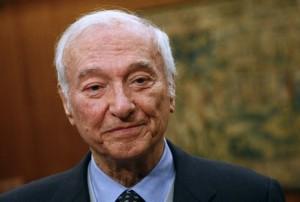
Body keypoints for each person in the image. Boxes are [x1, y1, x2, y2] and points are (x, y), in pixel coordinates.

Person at [0, 9, 285, 202]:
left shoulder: (253, 194)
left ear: (171, 89)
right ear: (67, 103)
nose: (122, 106)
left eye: (139, 80)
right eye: (95, 87)